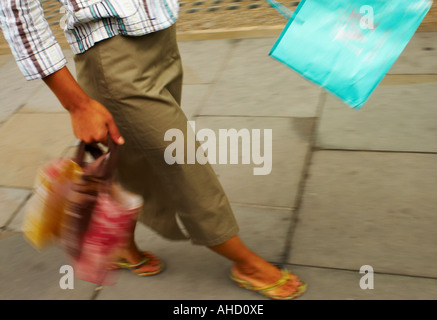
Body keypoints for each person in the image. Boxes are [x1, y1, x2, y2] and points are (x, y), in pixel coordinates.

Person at [0, 0, 306, 299]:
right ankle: (246, 263)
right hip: (112, 54)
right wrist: (77, 104)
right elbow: (17, 12)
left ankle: (120, 244)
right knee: (183, 160)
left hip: (161, 34)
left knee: (138, 156)